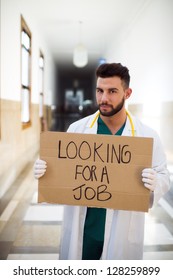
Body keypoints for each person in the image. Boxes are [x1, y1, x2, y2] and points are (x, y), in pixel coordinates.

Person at [34, 63, 170, 260]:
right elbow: (63, 177)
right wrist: (47, 173)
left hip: (122, 231)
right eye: (100, 91)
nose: (104, 98)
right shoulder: (77, 130)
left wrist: (156, 182)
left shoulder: (147, 136)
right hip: (84, 231)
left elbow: (164, 176)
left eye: (112, 91)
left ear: (128, 93)